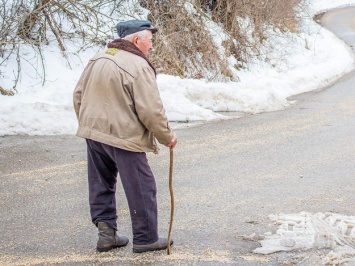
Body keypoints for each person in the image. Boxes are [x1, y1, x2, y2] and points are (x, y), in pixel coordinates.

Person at [73, 19, 177, 253]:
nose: (151, 47)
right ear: (137, 40)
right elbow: (151, 110)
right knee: (142, 186)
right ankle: (146, 238)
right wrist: (166, 136)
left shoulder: (98, 57)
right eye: (149, 41)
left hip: (94, 132)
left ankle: (106, 235)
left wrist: (89, 123)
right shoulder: (138, 65)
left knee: (101, 183)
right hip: (123, 136)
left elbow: (78, 94)